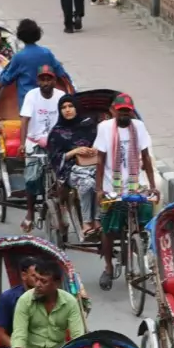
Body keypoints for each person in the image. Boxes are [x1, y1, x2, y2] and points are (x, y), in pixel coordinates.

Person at [93, 93, 157, 291]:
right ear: (114, 110)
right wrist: (99, 189)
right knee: (108, 229)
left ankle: (140, 246)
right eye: (121, 111)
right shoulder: (104, 128)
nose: (124, 115)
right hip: (112, 184)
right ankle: (108, 267)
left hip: (135, 182)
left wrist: (152, 185)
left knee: (146, 216)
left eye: (127, 111)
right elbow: (100, 160)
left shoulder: (139, 127)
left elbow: (146, 156)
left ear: (131, 111)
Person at [46, 93, 102, 239]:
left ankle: (98, 220)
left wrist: (93, 150)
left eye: (70, 106)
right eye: (63, 107)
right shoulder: (56, 133)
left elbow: (103, 144)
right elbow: (54, 158)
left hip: (94, 166)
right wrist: (74, 152)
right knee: (87, 183)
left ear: (76, 108)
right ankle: (87, 223)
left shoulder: (90, 126)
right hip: (70, 170)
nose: (67, 110)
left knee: (102, 182)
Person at [19, 66, 65, 232]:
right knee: (32, 178)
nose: (46, 83)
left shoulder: (61, 96)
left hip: (56, 143)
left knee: (66, 178)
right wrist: (22, 144)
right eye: (42, 79)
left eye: (49, 79)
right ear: (38, 81)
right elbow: (24, 120)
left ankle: (64, 210)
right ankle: (30, 213)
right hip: (35, 142)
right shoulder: (32, 95)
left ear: (54, 81)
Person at [0, 19, 71, 99]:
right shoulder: (46, 53)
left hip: (26, 97)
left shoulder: (18, 57)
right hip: (47, 95)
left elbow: (7, 77)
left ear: (20, 35)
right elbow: (60, 72)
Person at [0, 257, 39, 347]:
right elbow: (0, 334)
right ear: (24, 276)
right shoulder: (8, 298)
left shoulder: (47, 296)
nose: (38, 281)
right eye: (34, 276)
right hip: (16, 346)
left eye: (40, 276)